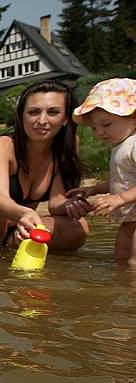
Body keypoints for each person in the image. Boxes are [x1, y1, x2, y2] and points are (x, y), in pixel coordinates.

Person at [0, 80, 92, 253]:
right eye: (34, 112)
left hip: (21, 224)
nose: (42, 120)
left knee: (78, 227)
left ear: (65, 118)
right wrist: (24, 214)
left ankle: (12, 246)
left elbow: (56, 202)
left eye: (53, 112)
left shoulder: (67, 146)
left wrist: (71, 205)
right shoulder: (3, 146)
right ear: (22, 116)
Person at [67, 78, 136, 267]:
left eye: (106, 124)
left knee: (133, 264)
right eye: (94, 128)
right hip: (130, 219)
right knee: (120, 261)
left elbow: (123, 190)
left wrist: (120, 198)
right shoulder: (120, 146)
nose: (99, 133)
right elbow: (121, 180)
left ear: (134, 116)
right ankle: (124, 292)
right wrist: (93, 190)